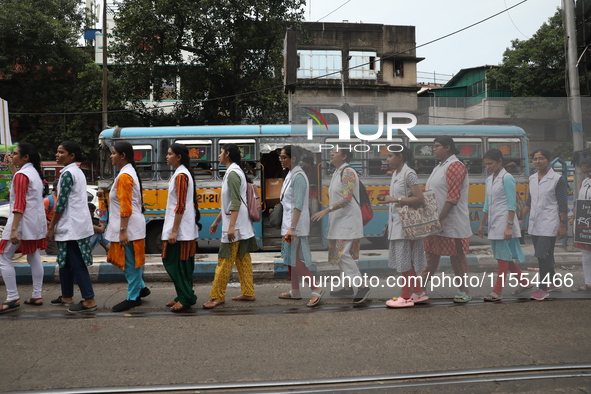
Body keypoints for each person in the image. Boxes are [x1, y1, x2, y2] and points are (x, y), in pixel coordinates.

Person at [311, 146, 371, 304]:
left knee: (342, 254)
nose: (331, 153)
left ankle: (362, 286)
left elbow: (346, 199)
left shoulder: (348, 172)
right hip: (340, 220)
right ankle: (347, 287)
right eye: (331, 151)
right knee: (346, 254)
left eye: (335, 152)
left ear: (344, 156)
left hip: (348, 220)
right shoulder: (337, 171)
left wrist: (326, 211)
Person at [204, 144, 258, 309]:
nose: (219, 155)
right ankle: (248, 292)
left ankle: (217, 296)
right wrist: (216, 221)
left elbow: (235, 202)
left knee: (224, 261)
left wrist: (231, 227)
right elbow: (229, 204)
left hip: (236, 226)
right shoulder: (233, 172)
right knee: (243, 259)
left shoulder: (233, 173)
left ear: (227, 154)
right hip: (239, 224)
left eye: (221, 152)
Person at [420, 136, 473, 303]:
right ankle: (420, 289)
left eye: (437, 146)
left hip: (452, 222)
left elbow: (453, 197)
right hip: (436, 219)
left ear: (448, 147)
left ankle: (464, 290)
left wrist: (441, 218)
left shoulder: (455, 166)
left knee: (457, 257)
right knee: (430, 255)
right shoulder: (440, 166)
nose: (434, 149)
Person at [47, 142, 97, 313]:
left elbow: (61, 204)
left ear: (72, 155)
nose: (57, 154)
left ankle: (89, 300)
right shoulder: (75, 172)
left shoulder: (68, 174)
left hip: (72, 227)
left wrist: (51, 226)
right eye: (57, 151)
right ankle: (67, 295)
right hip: (74, 224)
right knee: (66, 263)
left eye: (61, 152)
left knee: (76, 263)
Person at [0, 143, 48, 314]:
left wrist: (13, 229)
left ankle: (12, 297)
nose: (11, 155)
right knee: (33, 255)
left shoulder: (23, 175)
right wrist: (13, 167)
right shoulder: (32, 173)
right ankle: (36, 294)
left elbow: (19, 203)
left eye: (15, 154)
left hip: (21, 221)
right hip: (34, 222)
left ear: (25, 157)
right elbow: (20, 186)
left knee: (4, 257)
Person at [478, 149, 530, 301]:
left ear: (500, 161)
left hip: (505, 222)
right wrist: (482, 225)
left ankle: (497, 291)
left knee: (502, 257)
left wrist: (509, 227)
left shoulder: (507, 178)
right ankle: (525, 282)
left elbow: (512, 204)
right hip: (494, 223)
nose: (488, 167)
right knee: (503, 256)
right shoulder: (489, 179)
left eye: (491, 163)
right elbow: (486, 205)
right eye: (486, 164)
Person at [105, 141, 150, 312]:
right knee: (133, 261)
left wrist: (123, 231)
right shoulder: (127, 173)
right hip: (131, 226)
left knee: (131, 264)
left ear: (123, 156)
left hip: (128, 227)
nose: (111, 156)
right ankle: (142, 288)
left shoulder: (125, 176)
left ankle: (134, 297)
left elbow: (126, 206)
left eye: (114, 153)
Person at [382, 146, 428, 308]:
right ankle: (418, 292)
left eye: (390, 156)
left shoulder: (409, 174)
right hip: (399, 224)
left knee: (405, 262)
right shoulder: (396, 173)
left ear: (400, 156)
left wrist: (396, 199)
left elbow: (419, 198)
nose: (387, 159)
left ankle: (406, 296)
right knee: (408, 261)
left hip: (407, 225)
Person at [276, 146, 323, 307]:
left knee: (295, 259)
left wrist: (293, 228)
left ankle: (316, 287)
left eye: (283, 157)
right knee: (290, 259)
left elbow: (298, 205)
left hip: (294, 225)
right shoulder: (291, 173)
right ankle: (295, 291)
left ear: (293, 158)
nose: (281, 160)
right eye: (280, 157)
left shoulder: (299, 177)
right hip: (289, 223)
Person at [522, 149, 568, 301]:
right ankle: (554, 282)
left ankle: (542, 289)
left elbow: (562, 203)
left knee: (542, 255)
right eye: (535, 159)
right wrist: (521, 216)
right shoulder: (533, 178)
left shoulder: (557, 179)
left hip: (549, 223)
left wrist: (562, 224)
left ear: (548, 160)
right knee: (544, 255)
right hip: (535, 223)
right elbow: (530, 199)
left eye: (541, 158)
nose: (537, 161)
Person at [162, 143, 199, 313]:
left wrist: (175, 230)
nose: (167, 157)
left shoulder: (182, 175)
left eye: (170, 154)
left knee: (176, 264)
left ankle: (186, 298)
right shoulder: (180, 174)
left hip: (181, 230)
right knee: (180, 263)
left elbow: (181, 205)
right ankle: (182, 294)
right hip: (182, 228)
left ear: (179, 157)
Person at [570, 157, 591, 293]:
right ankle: (588, 282)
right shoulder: (584, 183)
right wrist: (574, 216)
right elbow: (580, 202)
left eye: (589, 171)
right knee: (586, 253)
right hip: (585, 224)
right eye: (585, 172)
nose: (587, 174)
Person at [44, 179, 59, 255]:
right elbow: (41, 216)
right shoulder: (48, 200)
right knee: (53, 253)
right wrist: (50, 223)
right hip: (51, 230)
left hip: (63, 230)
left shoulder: (66, 200)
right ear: (56, 187)